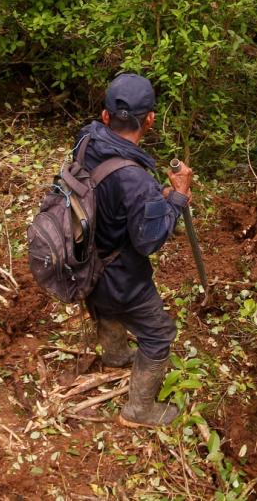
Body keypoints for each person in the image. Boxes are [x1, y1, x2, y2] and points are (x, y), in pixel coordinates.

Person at [75, 73, 193, 427]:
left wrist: (156, 196)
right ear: (151, 120)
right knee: (158, 335)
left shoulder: (86, 140)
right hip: (121, 275)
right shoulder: (135, 179)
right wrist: (178, 197)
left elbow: (112, 192)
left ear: (106, 115)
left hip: (85, 259)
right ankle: (139, 410)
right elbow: (149, 239)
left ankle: (115, 355)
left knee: (105, 306)